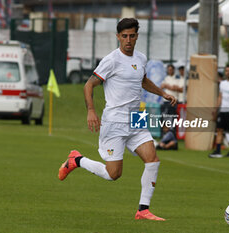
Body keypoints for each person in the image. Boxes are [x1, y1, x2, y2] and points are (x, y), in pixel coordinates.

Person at [58, 18, 176, 221]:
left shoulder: (140, 58)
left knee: (153, 160)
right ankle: (77, 160)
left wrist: (162, 93)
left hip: (136, 117)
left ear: (137, 36)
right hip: (114, 121)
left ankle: (143, 209)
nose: (128, 40)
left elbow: (143, 80)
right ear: (118, 37)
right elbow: (88, 85)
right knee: (113, 174)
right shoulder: (111, 60)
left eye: (131, 36)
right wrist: (91, 110)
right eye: (124, 36)